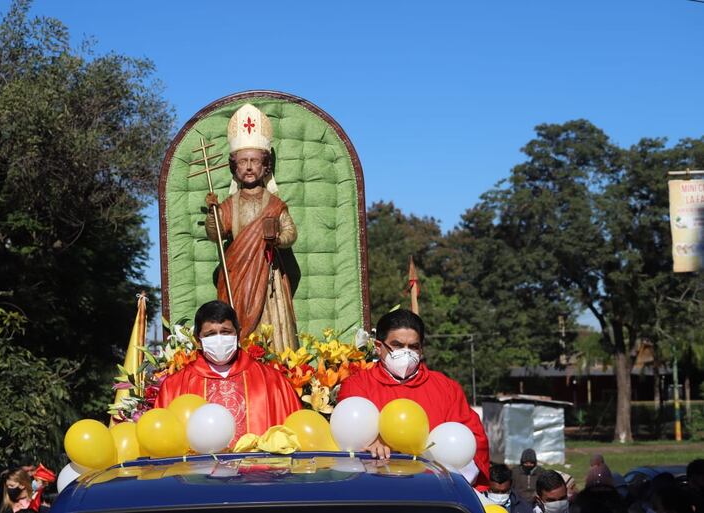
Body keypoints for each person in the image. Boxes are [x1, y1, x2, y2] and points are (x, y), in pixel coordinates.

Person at [336, 309, 490, 488]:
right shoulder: (357, 385)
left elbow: (475, 442)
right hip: (372, 490)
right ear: (378, 347)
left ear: (421, 349)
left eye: (413, 347)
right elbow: (346, 438)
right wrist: (369, 443)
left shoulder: (447, 388)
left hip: (432, 492)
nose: (406, 353)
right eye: (397, 345)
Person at [205, 103, 298, 352]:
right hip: (237, 276)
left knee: (270, 326)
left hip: (268, 278)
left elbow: (291, 232)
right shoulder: (229, 204)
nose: (248, 167)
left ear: (265, 166)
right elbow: (216, 236)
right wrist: (213, 214)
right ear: (234, 166)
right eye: (243, 161)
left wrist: (277, 238)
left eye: (255, 161)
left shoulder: (275, 204)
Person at [155, 300, 302, 443]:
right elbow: (162, 441)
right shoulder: (174, 386)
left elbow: (294, 435)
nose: (219, 339)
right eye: (210, 334)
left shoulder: (272, 381)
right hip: (199, 468)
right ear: (197, 339)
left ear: (238, 333)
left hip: (259, 466)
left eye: (225, 332)